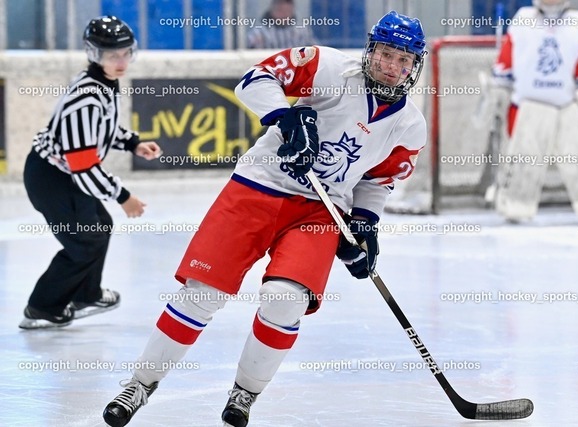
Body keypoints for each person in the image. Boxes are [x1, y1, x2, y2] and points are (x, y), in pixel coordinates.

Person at [103, 10, 427, 427]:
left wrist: (364, 224)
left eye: (404, 60)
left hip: (319, 208)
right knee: (201, 294)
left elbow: (379, 180)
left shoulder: (410, 126)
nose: (393, 66)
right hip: (257, 186)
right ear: (371, 50)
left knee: (285, 300)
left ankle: (244, 393)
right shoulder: (326, 66)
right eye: (386, 53)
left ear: (414, 66)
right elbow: (255, 79)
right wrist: (285, 117)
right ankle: (140, 385)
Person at [19, 16, 162, 330]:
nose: (121, 61)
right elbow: (83, 167)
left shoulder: (102, 83)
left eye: (126, 53)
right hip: (52, 178)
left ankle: (87, 294)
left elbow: (102, 130)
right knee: (84, 241)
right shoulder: (86, 98)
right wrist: (124, 197)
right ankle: (42, 307)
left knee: (99, 228)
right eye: (113, 55)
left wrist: (133, 143)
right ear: (95, 54)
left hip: (64, 172)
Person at [491, 0, 578, 222]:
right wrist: (495, 97)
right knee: (517, 198)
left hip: (566, 106)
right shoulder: (523, 20)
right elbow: (504, 70)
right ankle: (515, 204)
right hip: (529, 107)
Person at [247, 0, 316, 49]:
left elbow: (316, 50)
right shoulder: (259, 33)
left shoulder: (303, 31)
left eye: (287, 11)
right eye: (280, 10)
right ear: (272, 8)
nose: (284, 15)